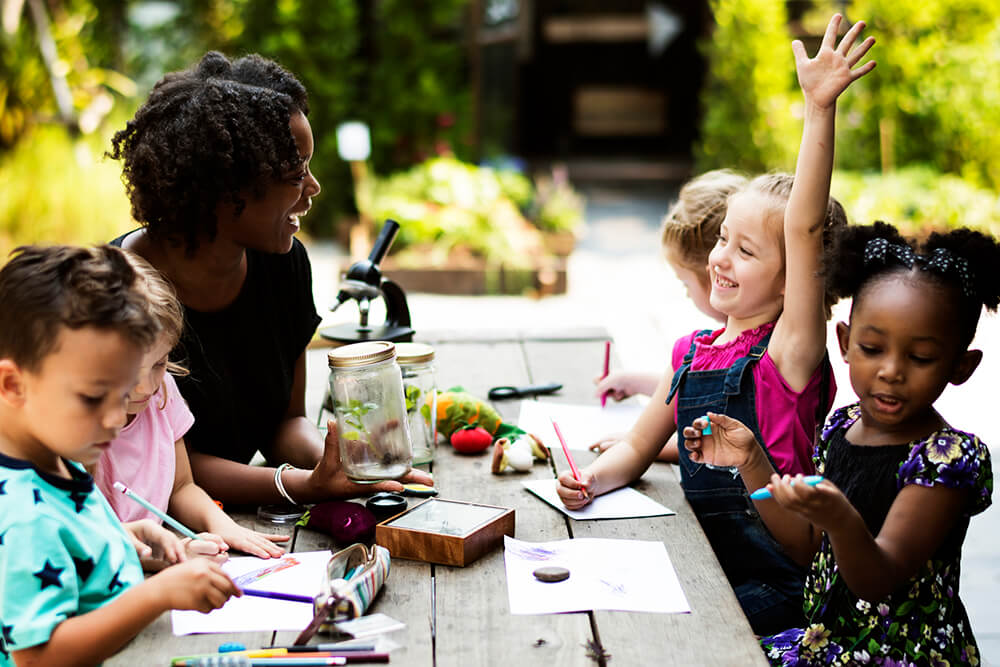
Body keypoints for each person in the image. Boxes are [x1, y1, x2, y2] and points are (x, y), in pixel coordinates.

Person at [557, 14, 874, 635]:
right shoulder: (690, 351)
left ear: (794, 281)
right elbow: (636, 448)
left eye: (748, 251)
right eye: (723, 240)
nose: (721, 258)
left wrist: (818, 111)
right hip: (711, 563)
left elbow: (805, 230)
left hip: (781, 586)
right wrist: (590, 479)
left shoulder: (789, 352)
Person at [107, 51, 432, 505]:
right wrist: (302, 486)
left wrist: (350, 463)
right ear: (226, 188)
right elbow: (168, 462)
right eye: (296, 173)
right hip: (165, 525)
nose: (313, 188)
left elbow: (284, 424)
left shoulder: (284, 263)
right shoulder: (118, 295)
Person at [683, 221, 998, 664]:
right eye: (873, 348)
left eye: (921, 357)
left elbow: (878, 578)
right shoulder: (842, 427)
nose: (891, 370)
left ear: (961, 366)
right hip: (828, 642)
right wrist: (753, 460)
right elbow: (807, 546)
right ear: (846, 343)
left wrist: (841, 519)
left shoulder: (946, 460)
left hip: (900, 655)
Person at [0, 245, 239, 666]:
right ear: (14, 385)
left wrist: (127, 541)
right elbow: (36, 658)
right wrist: (157, 595)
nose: (116, 417)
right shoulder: (21, 513)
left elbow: (68, 550)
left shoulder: (56, 456)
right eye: (94, 397)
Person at [91, 253, 289, 567]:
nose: (145, 387)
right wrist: (171, 556)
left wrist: (222, 524)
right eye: (129, 372)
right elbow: (87, 542)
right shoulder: (75, 426)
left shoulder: (162, 391)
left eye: (158, 364)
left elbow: (182, 486)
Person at [590, 169, 745, 459]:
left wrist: (645, 443)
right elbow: (697, 390)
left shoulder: (757, 351)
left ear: (716, 276)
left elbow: (720, 439)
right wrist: (639, 383)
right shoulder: (727, 339)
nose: (686, 293)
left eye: (686, 283)